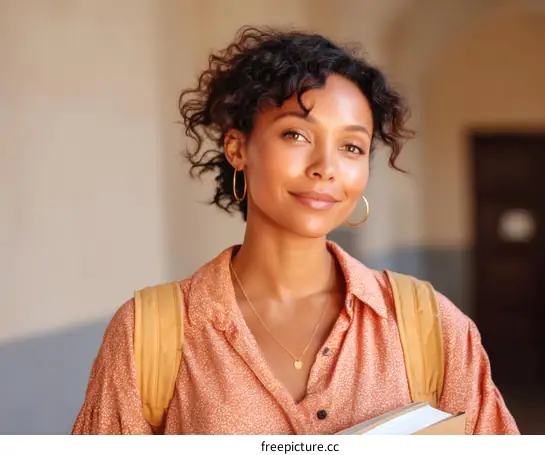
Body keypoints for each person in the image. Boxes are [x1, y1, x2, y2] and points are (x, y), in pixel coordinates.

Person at [71, 25, 519, 435]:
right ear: (236, 147)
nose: (326, 168)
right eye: (297, 136)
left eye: (351, 146)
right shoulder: (148, 335)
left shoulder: (433, 329)